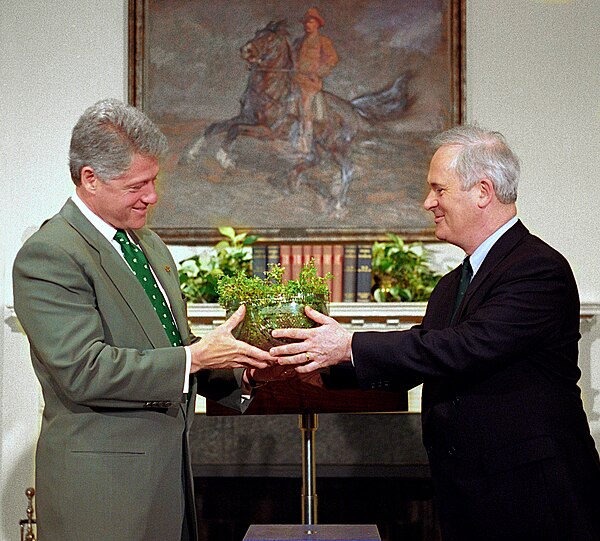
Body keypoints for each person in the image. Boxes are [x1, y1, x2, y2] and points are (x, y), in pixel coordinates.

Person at [270, 125, 600, 540]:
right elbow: (419, 358)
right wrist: (313, 363)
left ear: (483, 191)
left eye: (438, 190)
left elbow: (464, 347)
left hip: (532, 497)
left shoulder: (537, 269)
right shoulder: (452, 284)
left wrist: (348, 344)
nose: (429, 203)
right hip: (467, 494)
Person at [12, 99, 282, 541]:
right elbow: (84, 370)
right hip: (102, 495)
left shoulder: (149, 245)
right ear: (90, 179)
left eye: (154, 180)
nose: (152, 196)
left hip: (167, 485)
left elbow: (172, 344)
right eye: (137, 185)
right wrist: (194, 357)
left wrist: (245, 370)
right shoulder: (50, 253)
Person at [292, 6, 339, 153]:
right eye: (306, 22)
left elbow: (332, 60)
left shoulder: (323, 41)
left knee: (305, 108)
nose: (307, 25)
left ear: (318, 24)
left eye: (311, 22)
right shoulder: (298, 42)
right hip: (295, 79)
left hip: (310, 83)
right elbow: (291, 59)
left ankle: (306, 143)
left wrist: (317, 73)